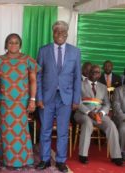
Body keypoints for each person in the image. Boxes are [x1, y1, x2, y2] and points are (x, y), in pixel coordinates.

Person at [36, 21, 81, 172]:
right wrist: (39, 98)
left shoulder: (75, 52)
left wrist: (76, 99)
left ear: (67, 34)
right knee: (45, 130)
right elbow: (38, 76)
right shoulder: (43, 51)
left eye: (63, 32)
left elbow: (77, 77)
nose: (60, 34)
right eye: (57, 31)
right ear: (52, 33)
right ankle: (45, 159)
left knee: (63, 131)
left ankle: (61, 161)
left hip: (66, 98)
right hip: (47, 98)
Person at [0, 33, 38, 168]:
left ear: (20, 45)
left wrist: (32, 99)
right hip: (4, 102)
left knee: (20, 132)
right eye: (10, 42)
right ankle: (3, 158)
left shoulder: (28, 60)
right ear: (6, 44)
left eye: (16, 42)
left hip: (21, 102)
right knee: (5, 130)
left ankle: (21, 160)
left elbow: (33, 80)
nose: (13, 45)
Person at [74, 65, 123, 166]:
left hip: (99, 114)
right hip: (83, 113)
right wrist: (88, 112)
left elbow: (107, 104)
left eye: (97, 72)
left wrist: (102, 113)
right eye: (92, 71)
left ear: (100, 74)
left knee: (111, 125)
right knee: (87, 123)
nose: (94, 74)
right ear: (88, 73)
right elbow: (77, 102)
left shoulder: (103, 87)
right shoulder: (79, 84)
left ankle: (116, 156)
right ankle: (83, 155)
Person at [113, 84, 125, 161]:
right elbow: (116, 106)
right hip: (121, 117)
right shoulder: (118, 90)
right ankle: (121, 152)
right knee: (123, 128)